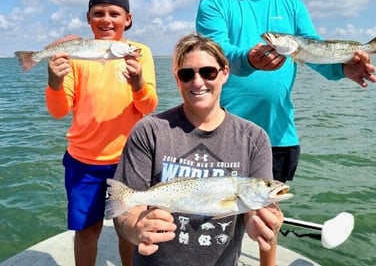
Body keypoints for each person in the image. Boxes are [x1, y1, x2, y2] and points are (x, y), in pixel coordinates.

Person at [195, 0, 376, 265]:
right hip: (222, 132)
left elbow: (313, 51)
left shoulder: (291, 5)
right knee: (219, 214)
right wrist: (248, 59)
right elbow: (215, 53)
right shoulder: (214, 3)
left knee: (268, 214)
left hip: (277, 133)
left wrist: (342, 68)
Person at [112, 33, 284, 266]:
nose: (198, 82)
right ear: (177, 79)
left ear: (224, 73)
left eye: (208, 72)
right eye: (186, 74)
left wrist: (259, 219)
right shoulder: (149, 130)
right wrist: (135, 228)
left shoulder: (254, 138)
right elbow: (126, 210)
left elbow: (258, 208)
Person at [45, 0, 158, 266]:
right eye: (98, 13)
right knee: (87, 231)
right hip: (84, 160)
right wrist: (54, 82)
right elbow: (59, 111)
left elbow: (148, 107)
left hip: (130, 160)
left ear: (127, 19)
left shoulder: (139, 52)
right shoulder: (76, 54)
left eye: (114, 13)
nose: (106, 19)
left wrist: (138, 84)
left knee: (128, 229)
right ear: (88, 18)